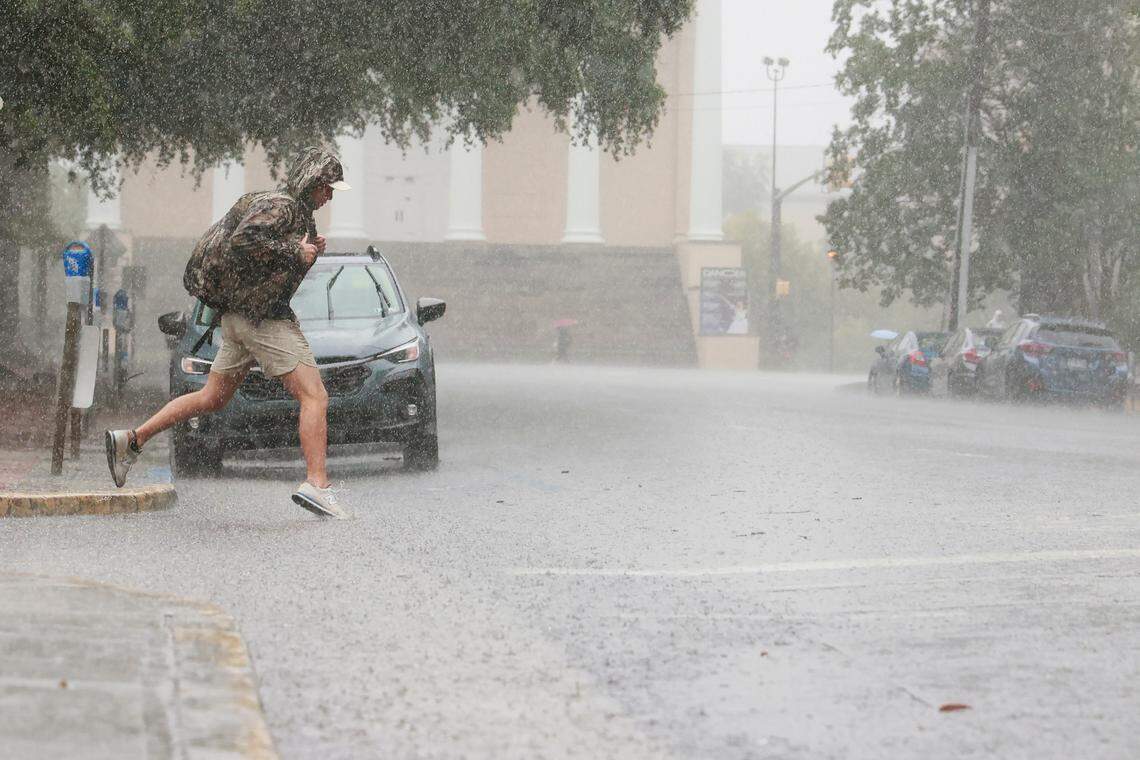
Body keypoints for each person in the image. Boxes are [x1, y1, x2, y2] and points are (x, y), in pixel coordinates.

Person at [104, 147, 351, 519]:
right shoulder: (282, 207)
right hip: (261, 320)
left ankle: (132, 440)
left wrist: (308, 250)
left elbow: (265, 263)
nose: (329, 196)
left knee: (211, 397)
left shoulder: (294, 215)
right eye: (327, 187)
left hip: (237, 319)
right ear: (311, 181)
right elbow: (242, 242)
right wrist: (293, 252)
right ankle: (317, 485)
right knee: (314, 396)